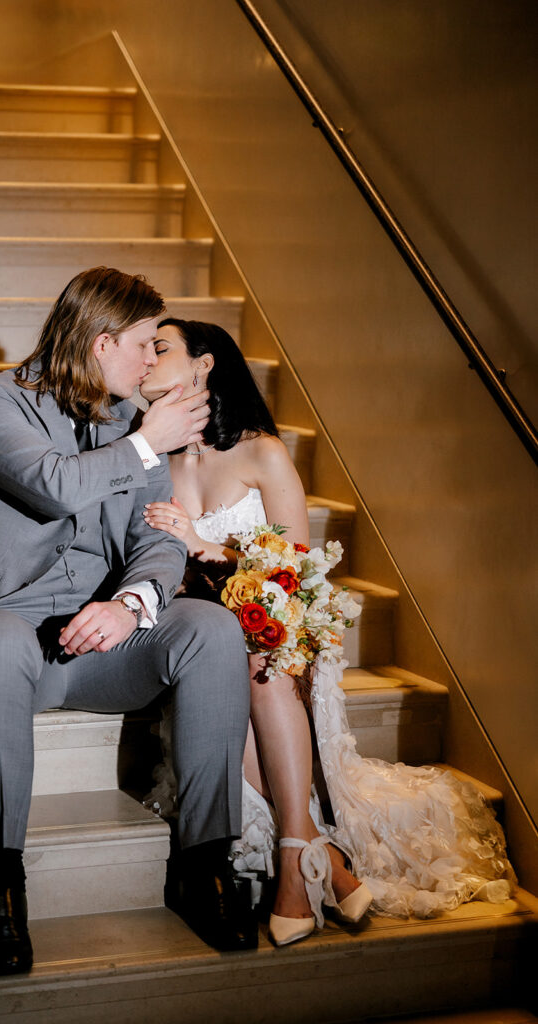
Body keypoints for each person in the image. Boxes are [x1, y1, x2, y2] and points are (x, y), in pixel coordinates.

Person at [0, 269, 258, 976]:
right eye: (144, 346)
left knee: (211, 628)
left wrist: (130, 606)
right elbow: (51, 484)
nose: (153, 362)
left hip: (97, 646)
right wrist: (148, 441)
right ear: (101, 343)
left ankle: (204, 865)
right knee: (1, 638)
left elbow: (158, 539)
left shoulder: (131, 422)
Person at [140, 317, 515, 947]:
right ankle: (319, 856)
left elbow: (296, 567)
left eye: (160, 348)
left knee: (260, 661)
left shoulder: (262, 450)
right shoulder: (156, 456)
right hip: (204, 630)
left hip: (281, 620)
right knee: (224, 658)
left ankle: (294, 860)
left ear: (204, 365)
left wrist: (204, 545)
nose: (146, 359)